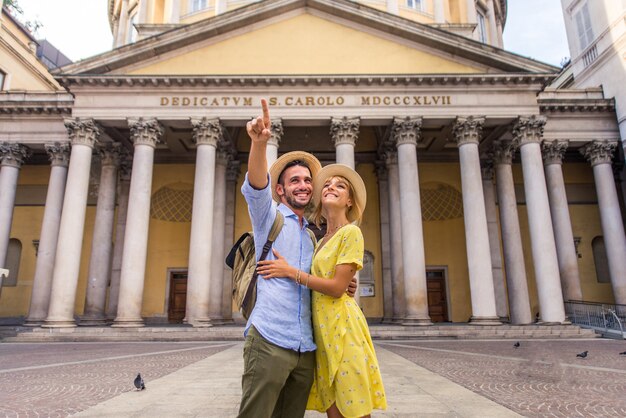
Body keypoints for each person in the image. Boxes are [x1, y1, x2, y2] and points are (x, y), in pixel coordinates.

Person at [238, 99, 356, 418]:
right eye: (294, 181)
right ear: (280, 190)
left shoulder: (312, 236)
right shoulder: (269, 218)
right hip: (270, 338)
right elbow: (255, 186)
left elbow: (322, 283)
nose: (303, 186)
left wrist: (342, 285)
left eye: (307, 181)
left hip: (305, 347)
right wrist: (260, 144)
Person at [257, 163, 387, 418]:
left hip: (344, 329)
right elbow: (331, 280)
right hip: (323, 332)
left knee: (354, 407)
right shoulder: (319, 240)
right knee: (335, 410)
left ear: (350, 200)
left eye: (340, 186)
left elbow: (337, 288)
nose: (331, 187)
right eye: (327, 184)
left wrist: (290, 272)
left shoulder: (352, 232)